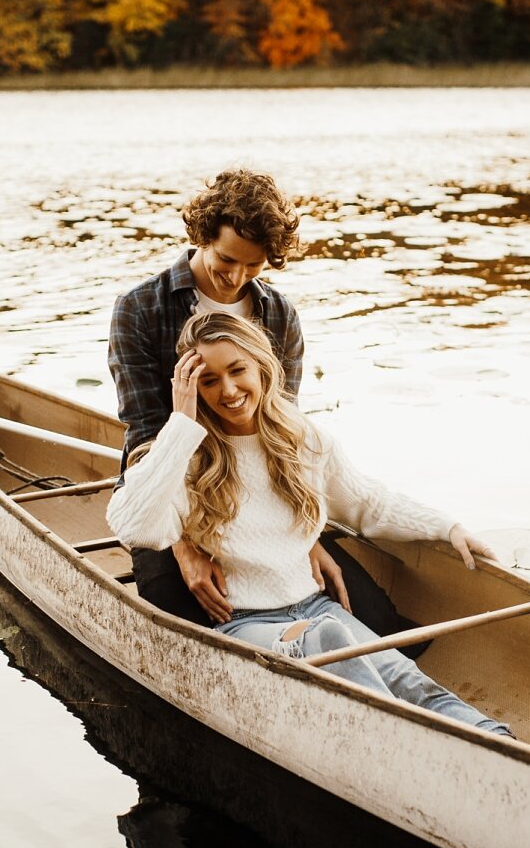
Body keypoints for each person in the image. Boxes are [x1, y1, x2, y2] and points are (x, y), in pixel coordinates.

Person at [107, 311, 512, 738]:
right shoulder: (185, 457)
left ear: (261, 366)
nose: (227, 390)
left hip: (316, 605)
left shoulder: (304, 439)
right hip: (246, 624)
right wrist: (181, 425)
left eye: (237, 370)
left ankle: (498, 743)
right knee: (331, 645)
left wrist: (446, 526)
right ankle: (403, 740)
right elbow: (137, 528)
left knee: (412, 683)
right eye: (208, 381)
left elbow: (367, 504)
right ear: (192, 388)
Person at [107, 169, 399, 636]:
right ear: (202, 235)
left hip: (262, 502)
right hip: (174, 497)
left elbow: (284, 432)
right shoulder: (140, 308)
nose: (236, 277)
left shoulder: (279, 314)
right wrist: (186, 549)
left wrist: (304, 537)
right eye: (227, 259)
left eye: (254, 267)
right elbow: (145, 434)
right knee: (190, 624)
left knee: (378, 621)